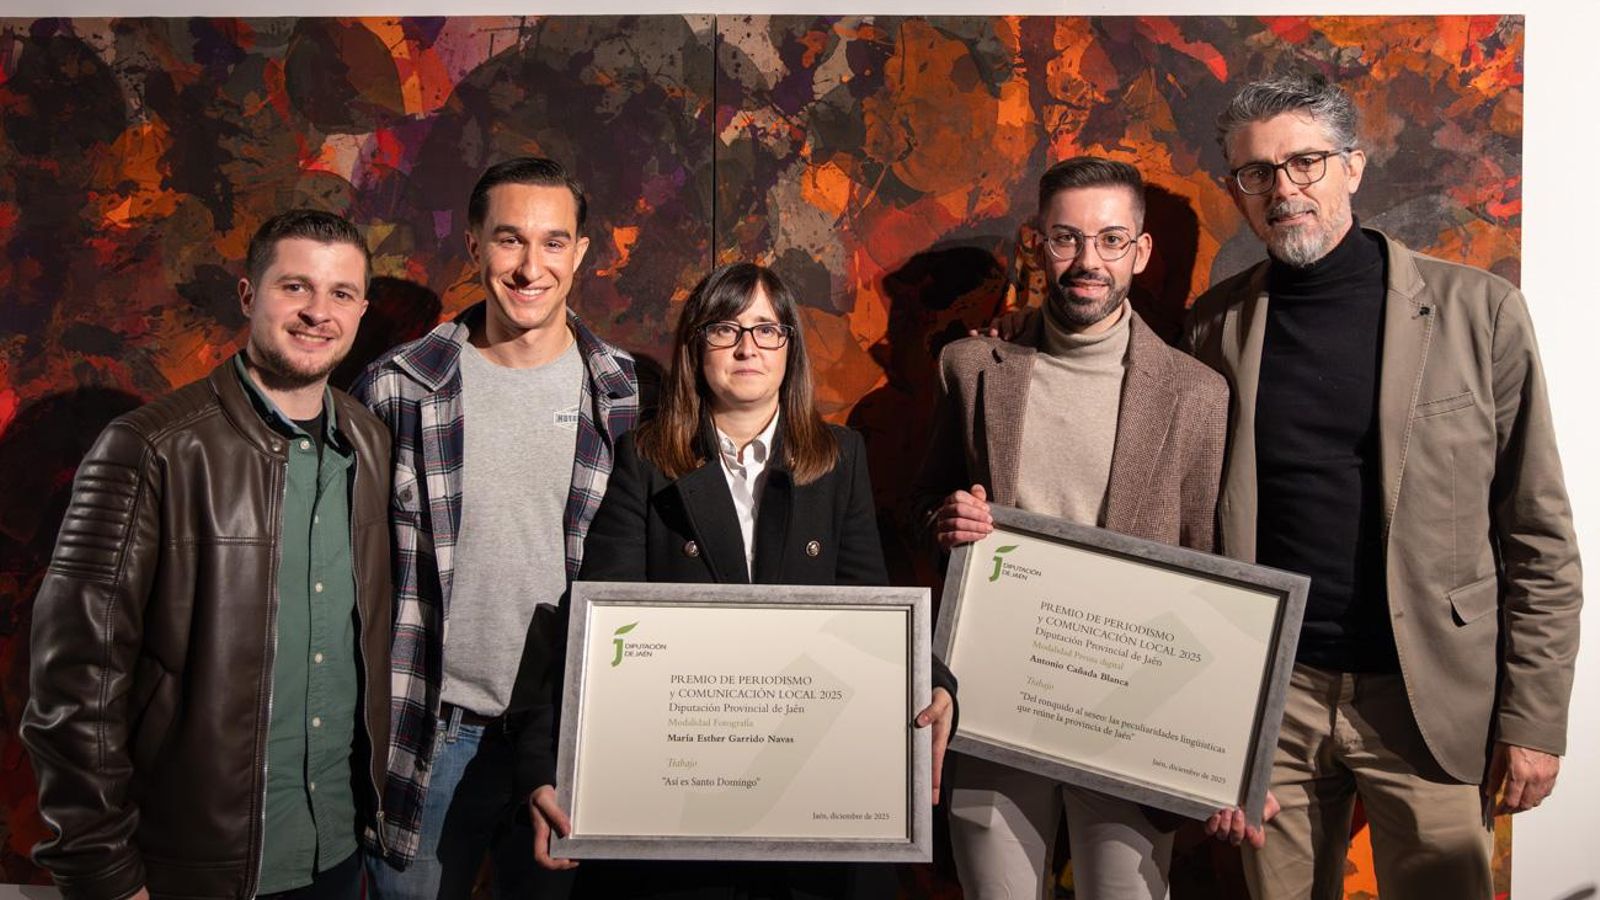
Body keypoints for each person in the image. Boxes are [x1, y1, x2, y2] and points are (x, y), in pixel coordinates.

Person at [1184, 72, 1582, 900]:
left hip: (1429, 698)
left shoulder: (1482, 312)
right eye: (1258, 172)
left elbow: (1539, 535)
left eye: (1306, 163)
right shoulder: (1214, 326)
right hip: (1276, 698)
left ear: (1354, 168)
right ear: (1237, 188)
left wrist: (1535, 721)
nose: (1283, 190)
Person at [519, 261, 956, 898]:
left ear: (789, 348)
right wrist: (540, 765)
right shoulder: (645, 460)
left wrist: (934, 682)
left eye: (766, 330)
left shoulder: (839, 459)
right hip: (682, 793)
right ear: (696, 348)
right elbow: (591, 626)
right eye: (725, 329)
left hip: (809, 793)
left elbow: (878, 610)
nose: (747, 346)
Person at [22, 209, 392, 900]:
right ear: (249, 295)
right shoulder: (151, 447)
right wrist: (101, 871)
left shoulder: (370, 444)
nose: (318, 312)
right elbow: (72, 681)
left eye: (340, 293)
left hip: (338, 854)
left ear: (361, 309)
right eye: (295, 287)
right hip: (197, 865)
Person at [918, 157, 1263, 900]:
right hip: (991, 697)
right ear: (1037, 243)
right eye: (1068, 238)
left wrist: (1225, 745)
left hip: (1134, 710)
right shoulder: (972, 365)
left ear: (1139, 253)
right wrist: (946, 520)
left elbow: (1212, 568)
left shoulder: (1197, 395)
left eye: (1110, 241)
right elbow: (925, 508)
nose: (1087, 261)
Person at [353, 157, 642, 899]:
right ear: (475, 245)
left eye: (553, 242)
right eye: (510, 239)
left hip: (571, 737)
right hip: (431, 736)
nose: (530, 265)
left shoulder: (626, 394)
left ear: (580, 253)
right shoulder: (398, 389)